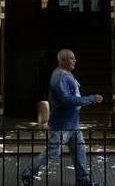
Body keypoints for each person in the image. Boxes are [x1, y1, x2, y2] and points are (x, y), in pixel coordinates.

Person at [21, 49, 102, 186]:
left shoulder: (67, 74)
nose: (74, 60)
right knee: (52, 152)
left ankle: (83, 181)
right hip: (62, 125)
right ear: (62, 61)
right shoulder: (59, 77)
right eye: (71, 58)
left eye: (74, 58)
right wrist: (91, 98)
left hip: (72, 123)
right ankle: (28, 173)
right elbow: (67, 99)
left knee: (80, 152)